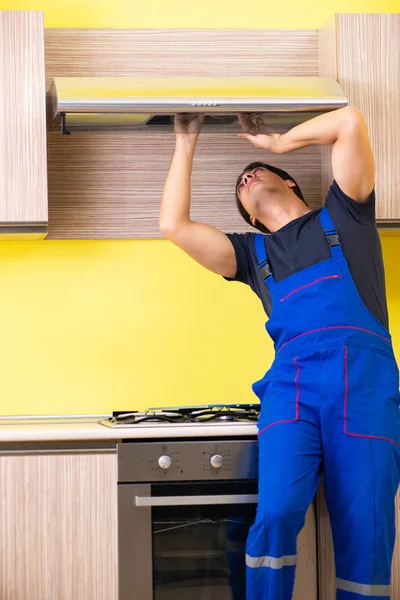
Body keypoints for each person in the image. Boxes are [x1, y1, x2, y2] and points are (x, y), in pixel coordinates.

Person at [160, 107, 400, 600]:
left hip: (366, 387)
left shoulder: (348, 212)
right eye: (241, 186)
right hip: (291, 391)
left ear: (290, 183)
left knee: (367, 526)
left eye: (258, 173)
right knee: (275, 513)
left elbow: (350, 121)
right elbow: (174, 225)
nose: (246, 178)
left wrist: (278, 143)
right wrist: (185, 143)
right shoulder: (252, 256)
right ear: (248, 217)